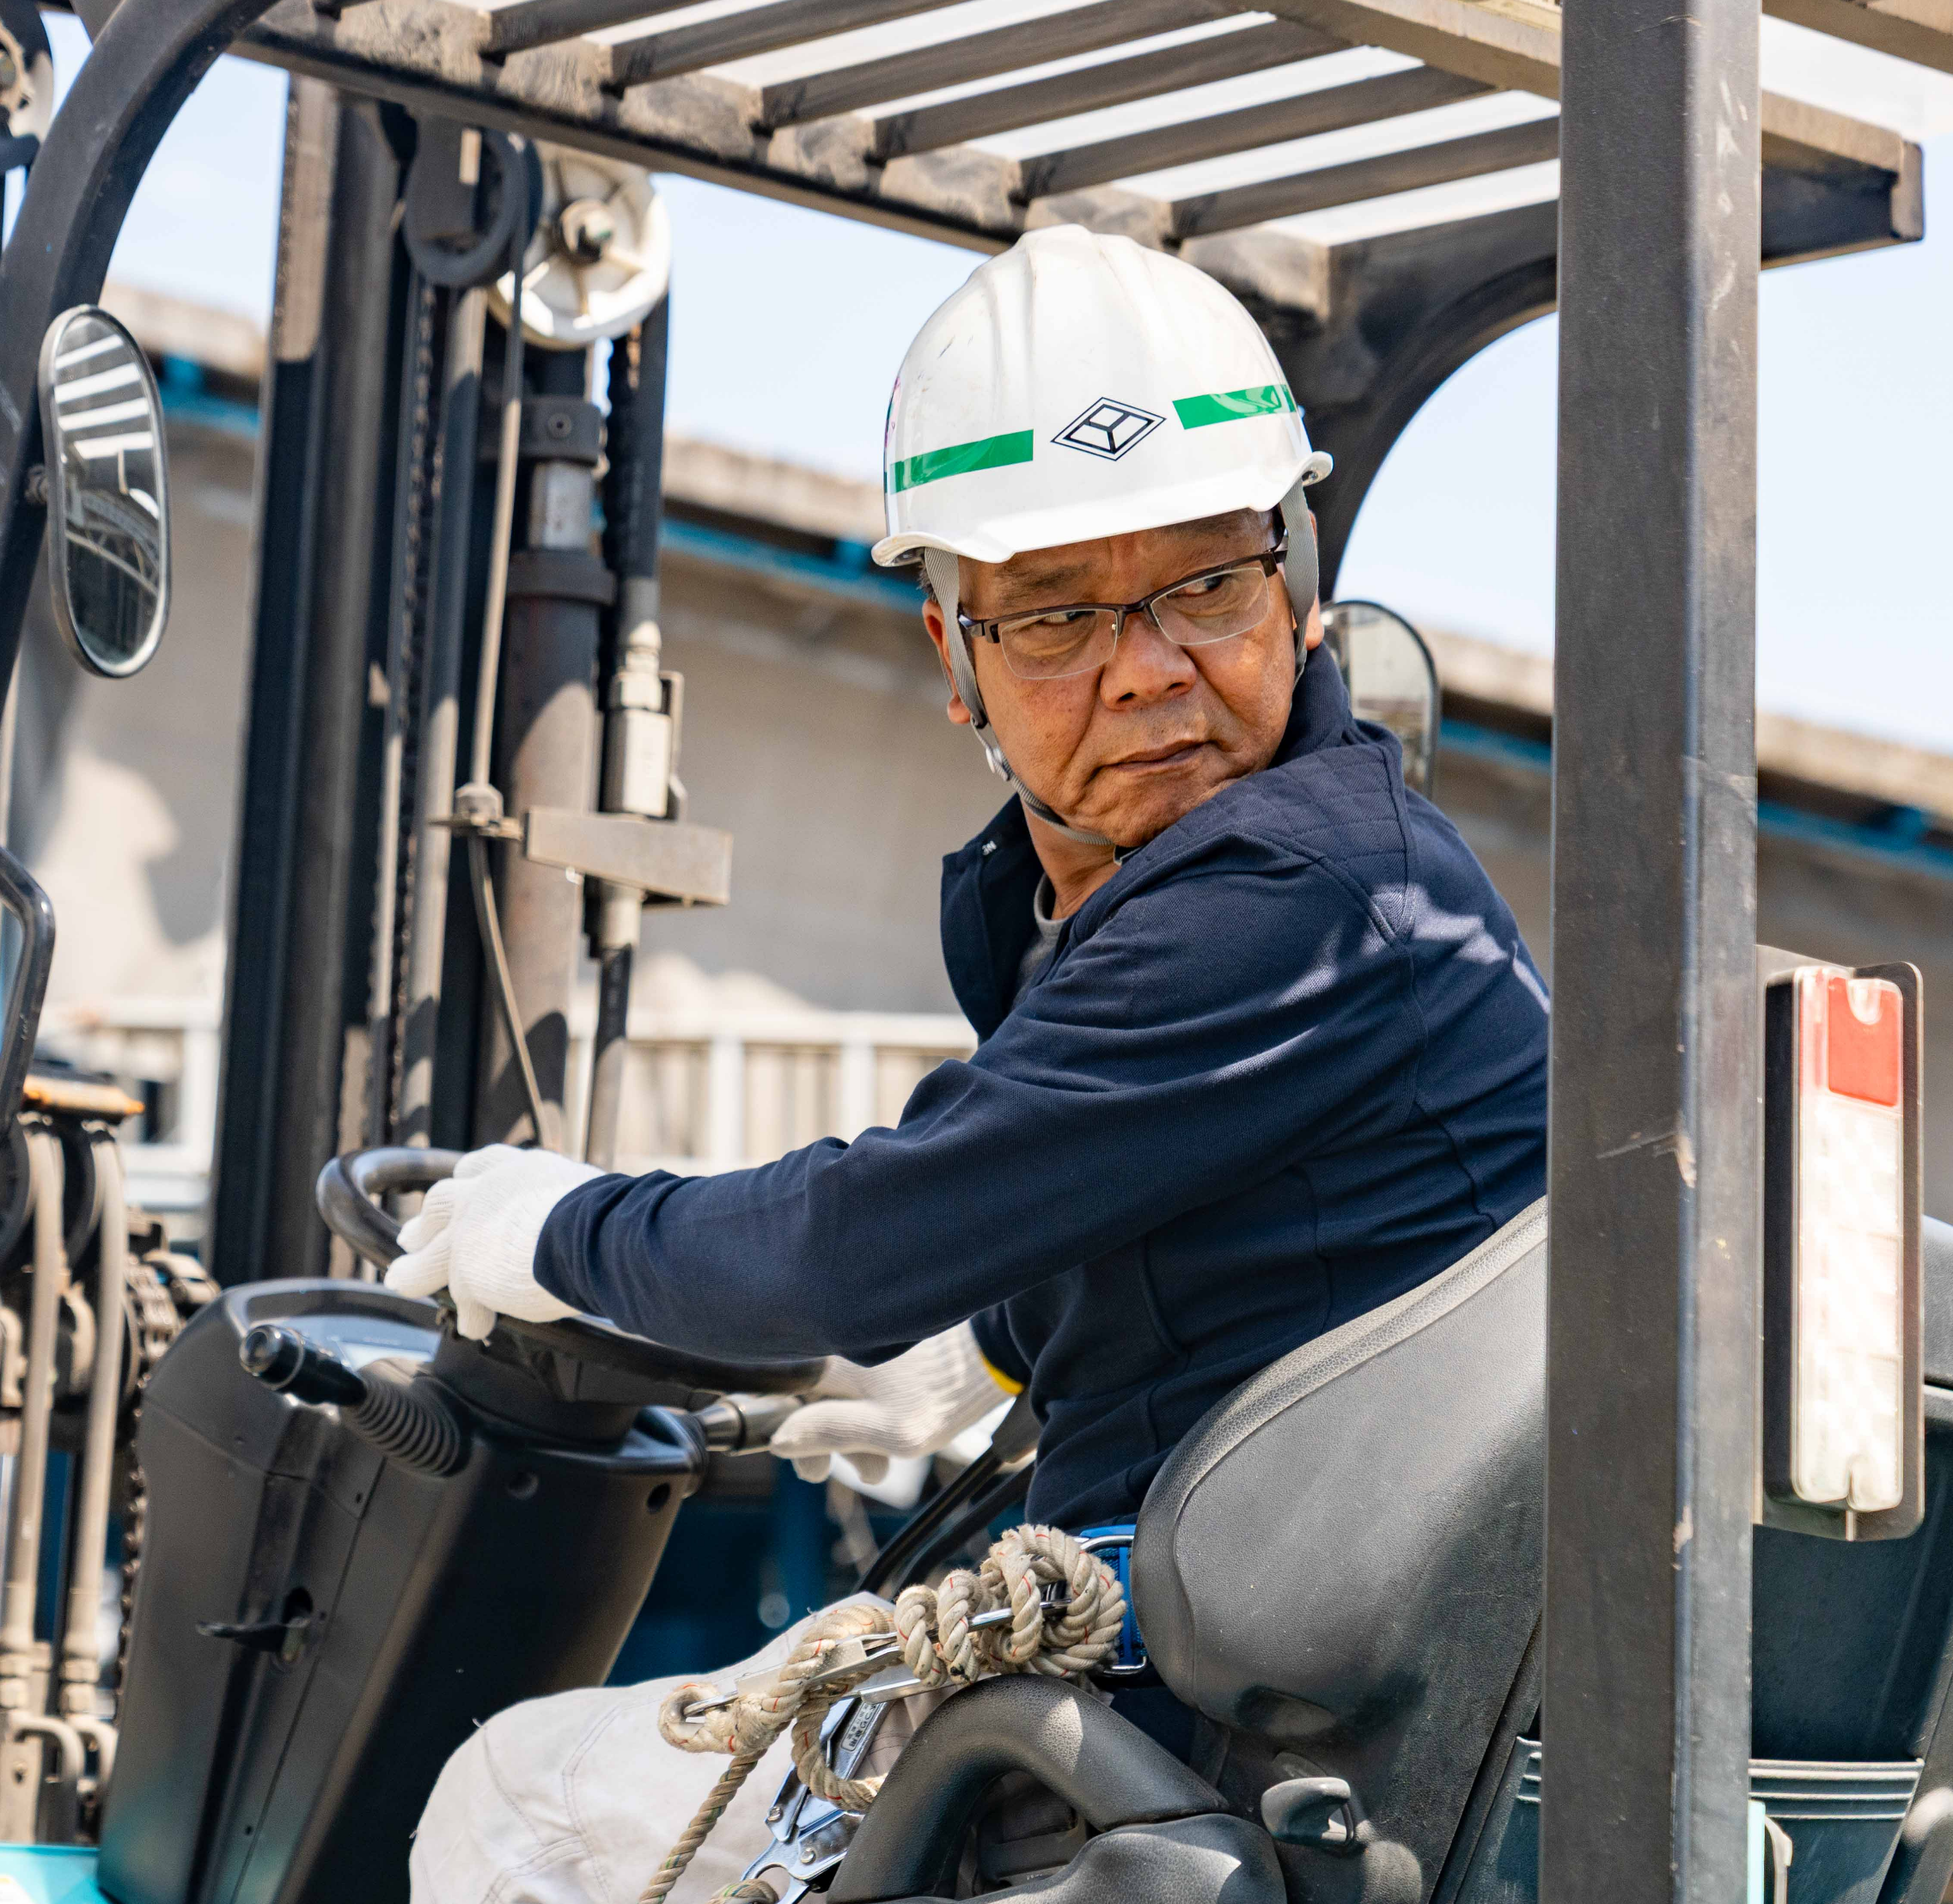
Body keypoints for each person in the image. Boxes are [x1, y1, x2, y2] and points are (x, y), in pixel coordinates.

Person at [390, 227, 1552, 1904]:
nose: (1145, 666)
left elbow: (842, 1252)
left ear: (1295, 590)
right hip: (1254, 1684)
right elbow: (1171, 1273)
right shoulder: (1194, 904)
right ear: (953, 661)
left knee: (522, 1799)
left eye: (1204, 585)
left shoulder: (1290, 889)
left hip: (1228, 1731)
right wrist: (955, 1360)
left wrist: (556, 1231)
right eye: (1056, 616)